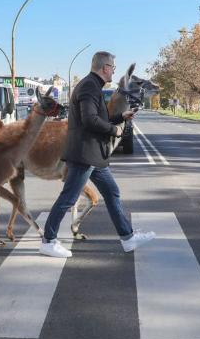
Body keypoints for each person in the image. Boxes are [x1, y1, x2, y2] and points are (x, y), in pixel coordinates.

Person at [40, 51, 155, 258]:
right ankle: (48, 241)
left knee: (112, 192)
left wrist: (121, 116)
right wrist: (115, 130)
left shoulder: (93, 86)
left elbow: (99, 116)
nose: (114, 71)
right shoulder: (89, 87)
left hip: (94, 154)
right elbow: (90, 120)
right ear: (104, 68)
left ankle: (128, 238)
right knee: (68, 198)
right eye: (112, 67)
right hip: (85, 153)